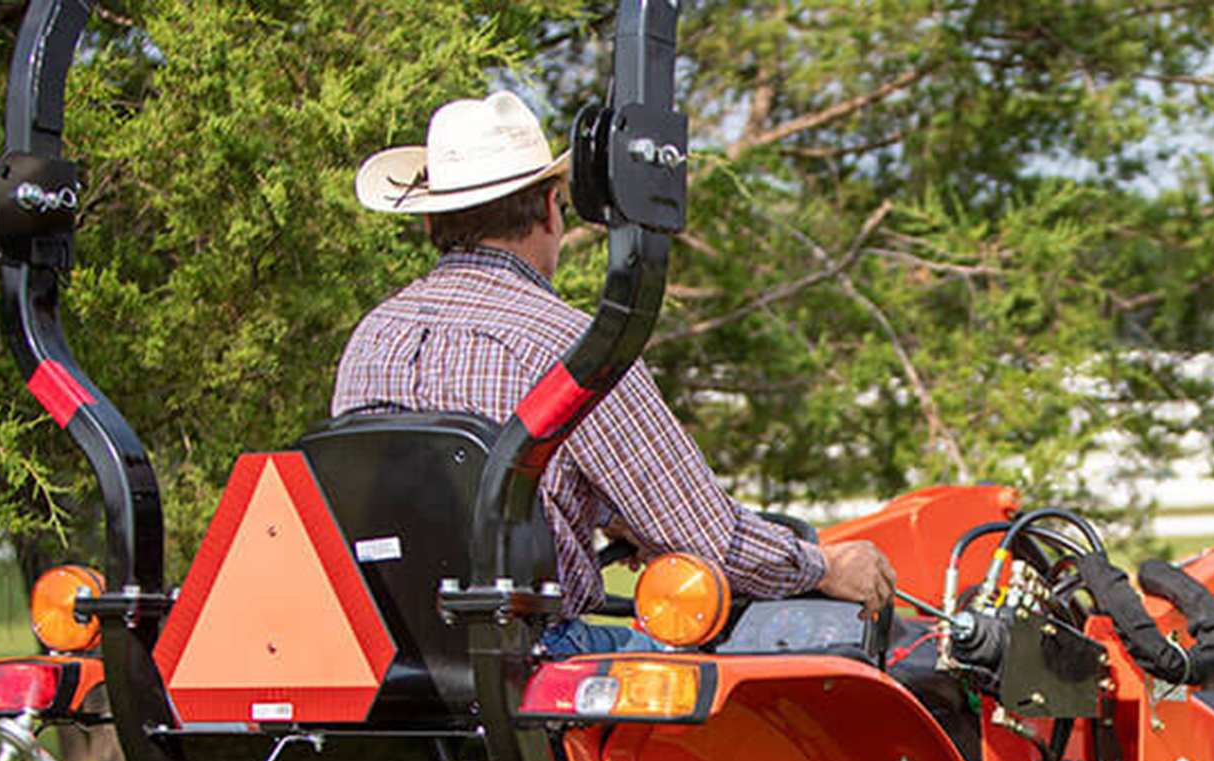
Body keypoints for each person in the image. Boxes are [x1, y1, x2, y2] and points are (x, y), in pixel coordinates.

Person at [335, 91, 894, 654]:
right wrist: (823, 567)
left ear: (431, 218)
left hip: (393, 662)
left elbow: (446, 490)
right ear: (552, 208)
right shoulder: (574, 346)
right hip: (530, 658)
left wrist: (606, 513)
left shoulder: (371, 336)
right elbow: (710, 540)